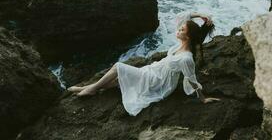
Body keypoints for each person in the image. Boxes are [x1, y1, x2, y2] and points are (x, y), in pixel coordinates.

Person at [67, 11, 221, 116]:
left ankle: (90, 89)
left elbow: (192, 80)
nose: (178, 30)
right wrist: (200, 15)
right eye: (180, 29)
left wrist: (202, 98)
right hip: (154, 71)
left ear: (187, 37)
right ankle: (86, 88)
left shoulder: (186, 58)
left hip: (159, 82)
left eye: (181, 30)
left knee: (118, 67)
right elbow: (182, 17)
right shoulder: (183, 43)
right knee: (119, 81)